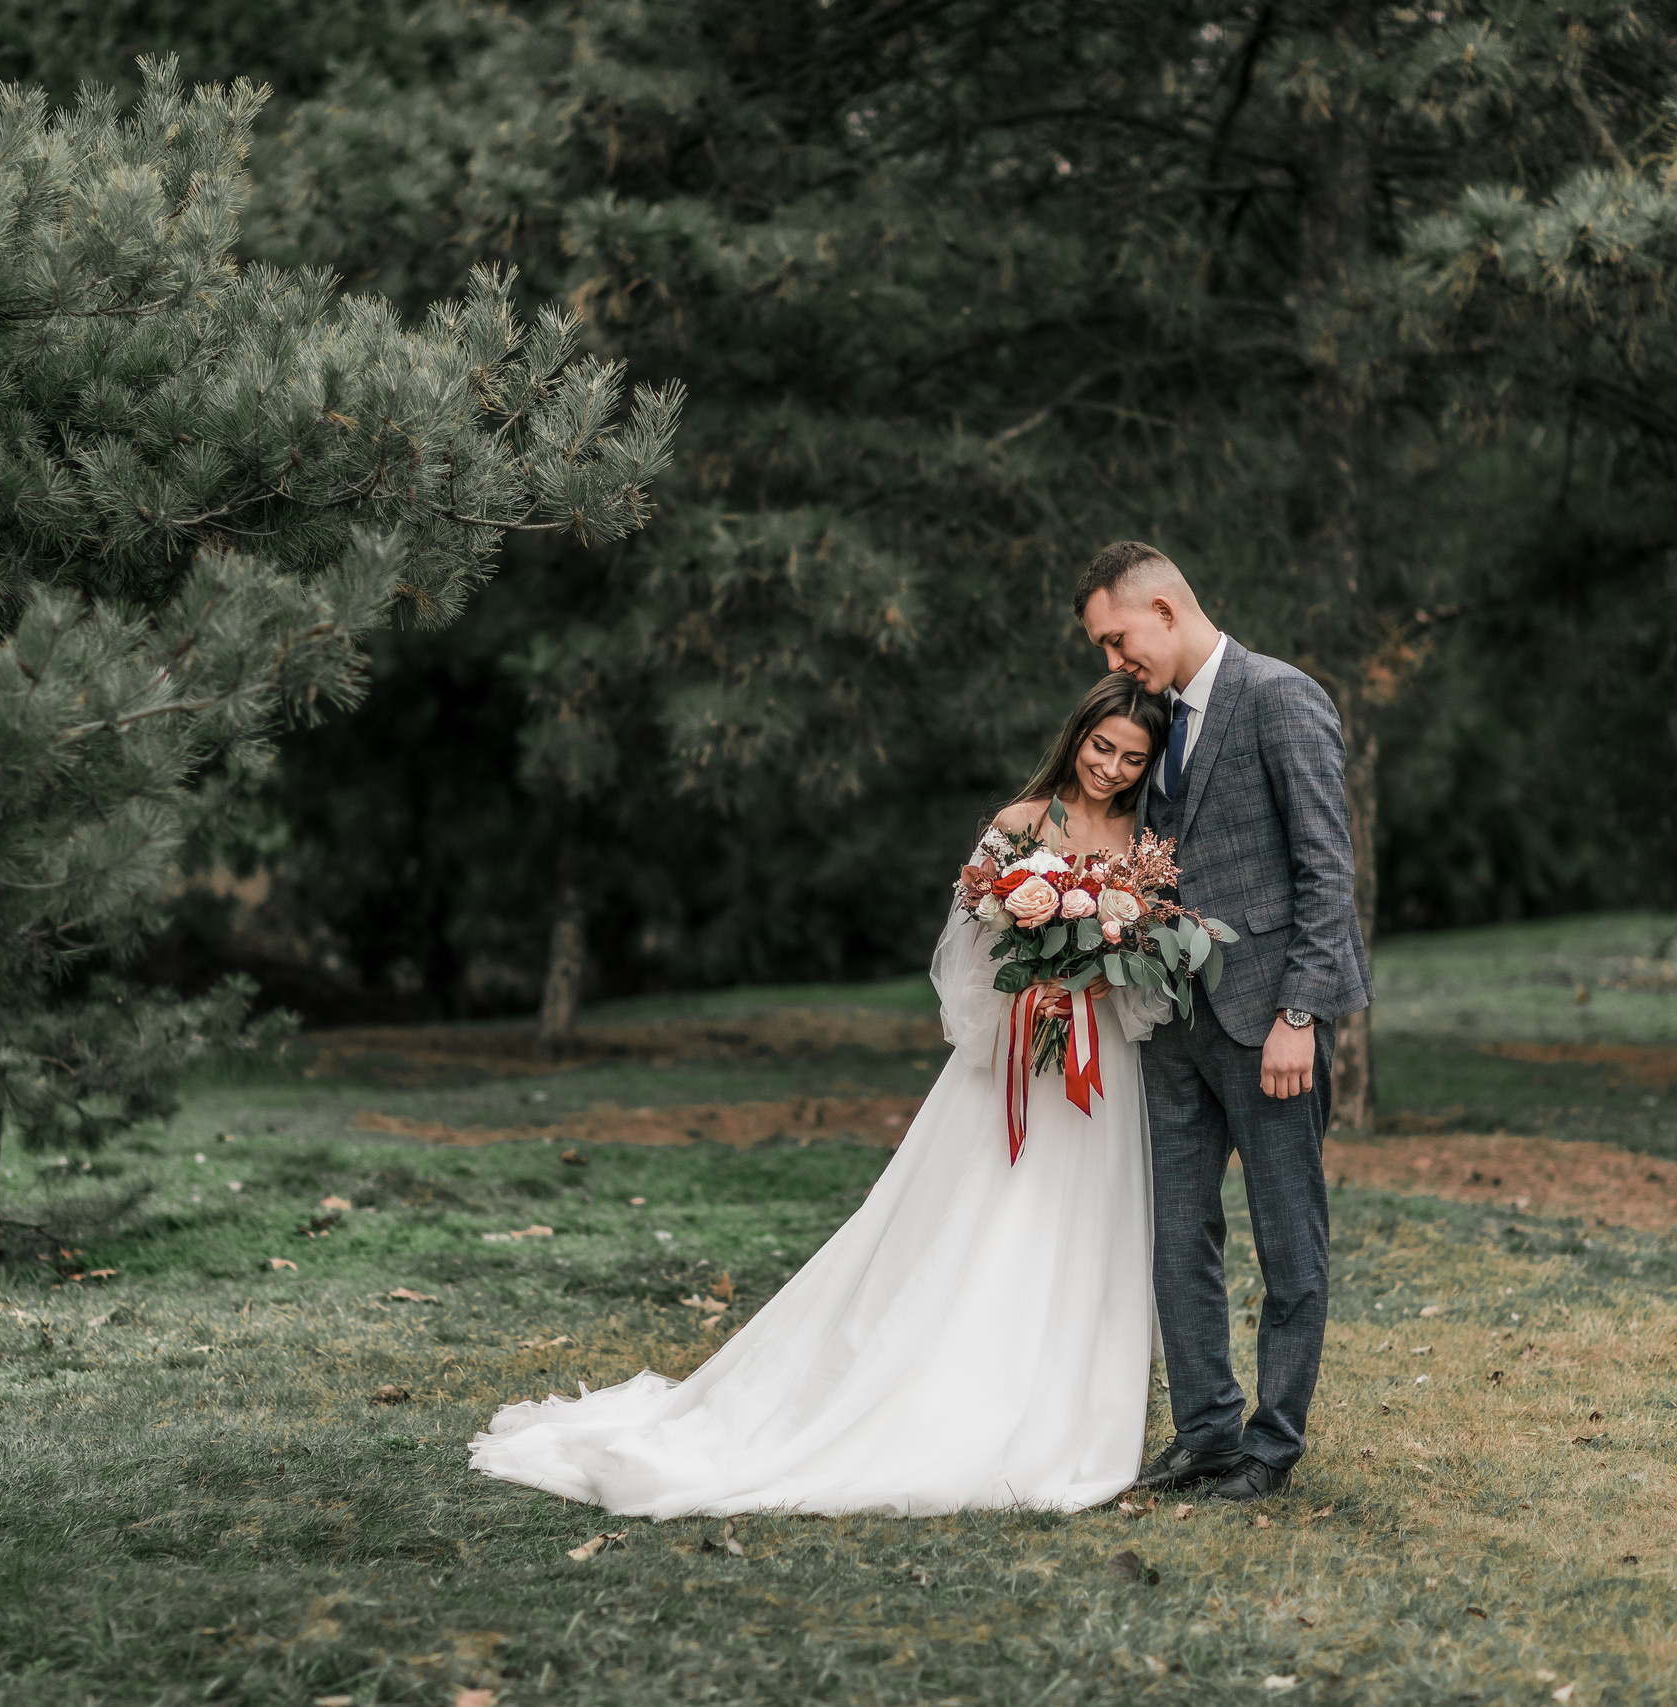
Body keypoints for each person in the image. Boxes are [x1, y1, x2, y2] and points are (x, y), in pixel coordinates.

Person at [468, 674, 1171, 1517]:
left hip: (1096, 1073)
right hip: (1016, 1069)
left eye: (1133, 759)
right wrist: (1032, 996)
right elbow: (970, 965)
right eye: (1102, 748)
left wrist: (1092, 985)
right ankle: (951, 1393)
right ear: (1077, 734)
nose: (1113, 769)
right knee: (979, 1225)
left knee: (1082, 1224)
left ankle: (1067, 1408)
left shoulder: (1145, 840)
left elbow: (1146, 970)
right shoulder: (1019, 827)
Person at [1077, 541, 1372, 1505]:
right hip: (1169, 1021)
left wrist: (1301, 1012)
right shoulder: (1153, 722)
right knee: (1177, 1233)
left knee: (1289, 1240)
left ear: (1163, 608)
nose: (1113, 663)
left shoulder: (1283, 697)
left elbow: (1327, 872)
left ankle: (1271, 1445)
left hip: (1267, 1024)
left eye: (1117, 640)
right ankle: (1205, 1430)